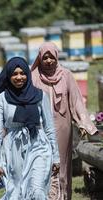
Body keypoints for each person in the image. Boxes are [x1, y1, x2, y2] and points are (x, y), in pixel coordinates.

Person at [31, 42, 98, 200]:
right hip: (40, 128)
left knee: (62, 163)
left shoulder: (66, 75)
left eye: (51, 57)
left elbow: (76, 101)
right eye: (45, 57)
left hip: (63, 128)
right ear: (40, 58)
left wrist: (83, 123)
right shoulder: (33, 76)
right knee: (43, 164)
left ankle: (63, 196)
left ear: (56, 57)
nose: (48, 61)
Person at [0, 56, 60, 200]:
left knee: (37, 190)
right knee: (17, 193)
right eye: (14, 74)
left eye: (22, 73)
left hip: (39, 146)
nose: (19, 77)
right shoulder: (0, 100)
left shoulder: (40, 96)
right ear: (8, 76)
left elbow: (49, 128)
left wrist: (56, 156)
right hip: (13, 151)